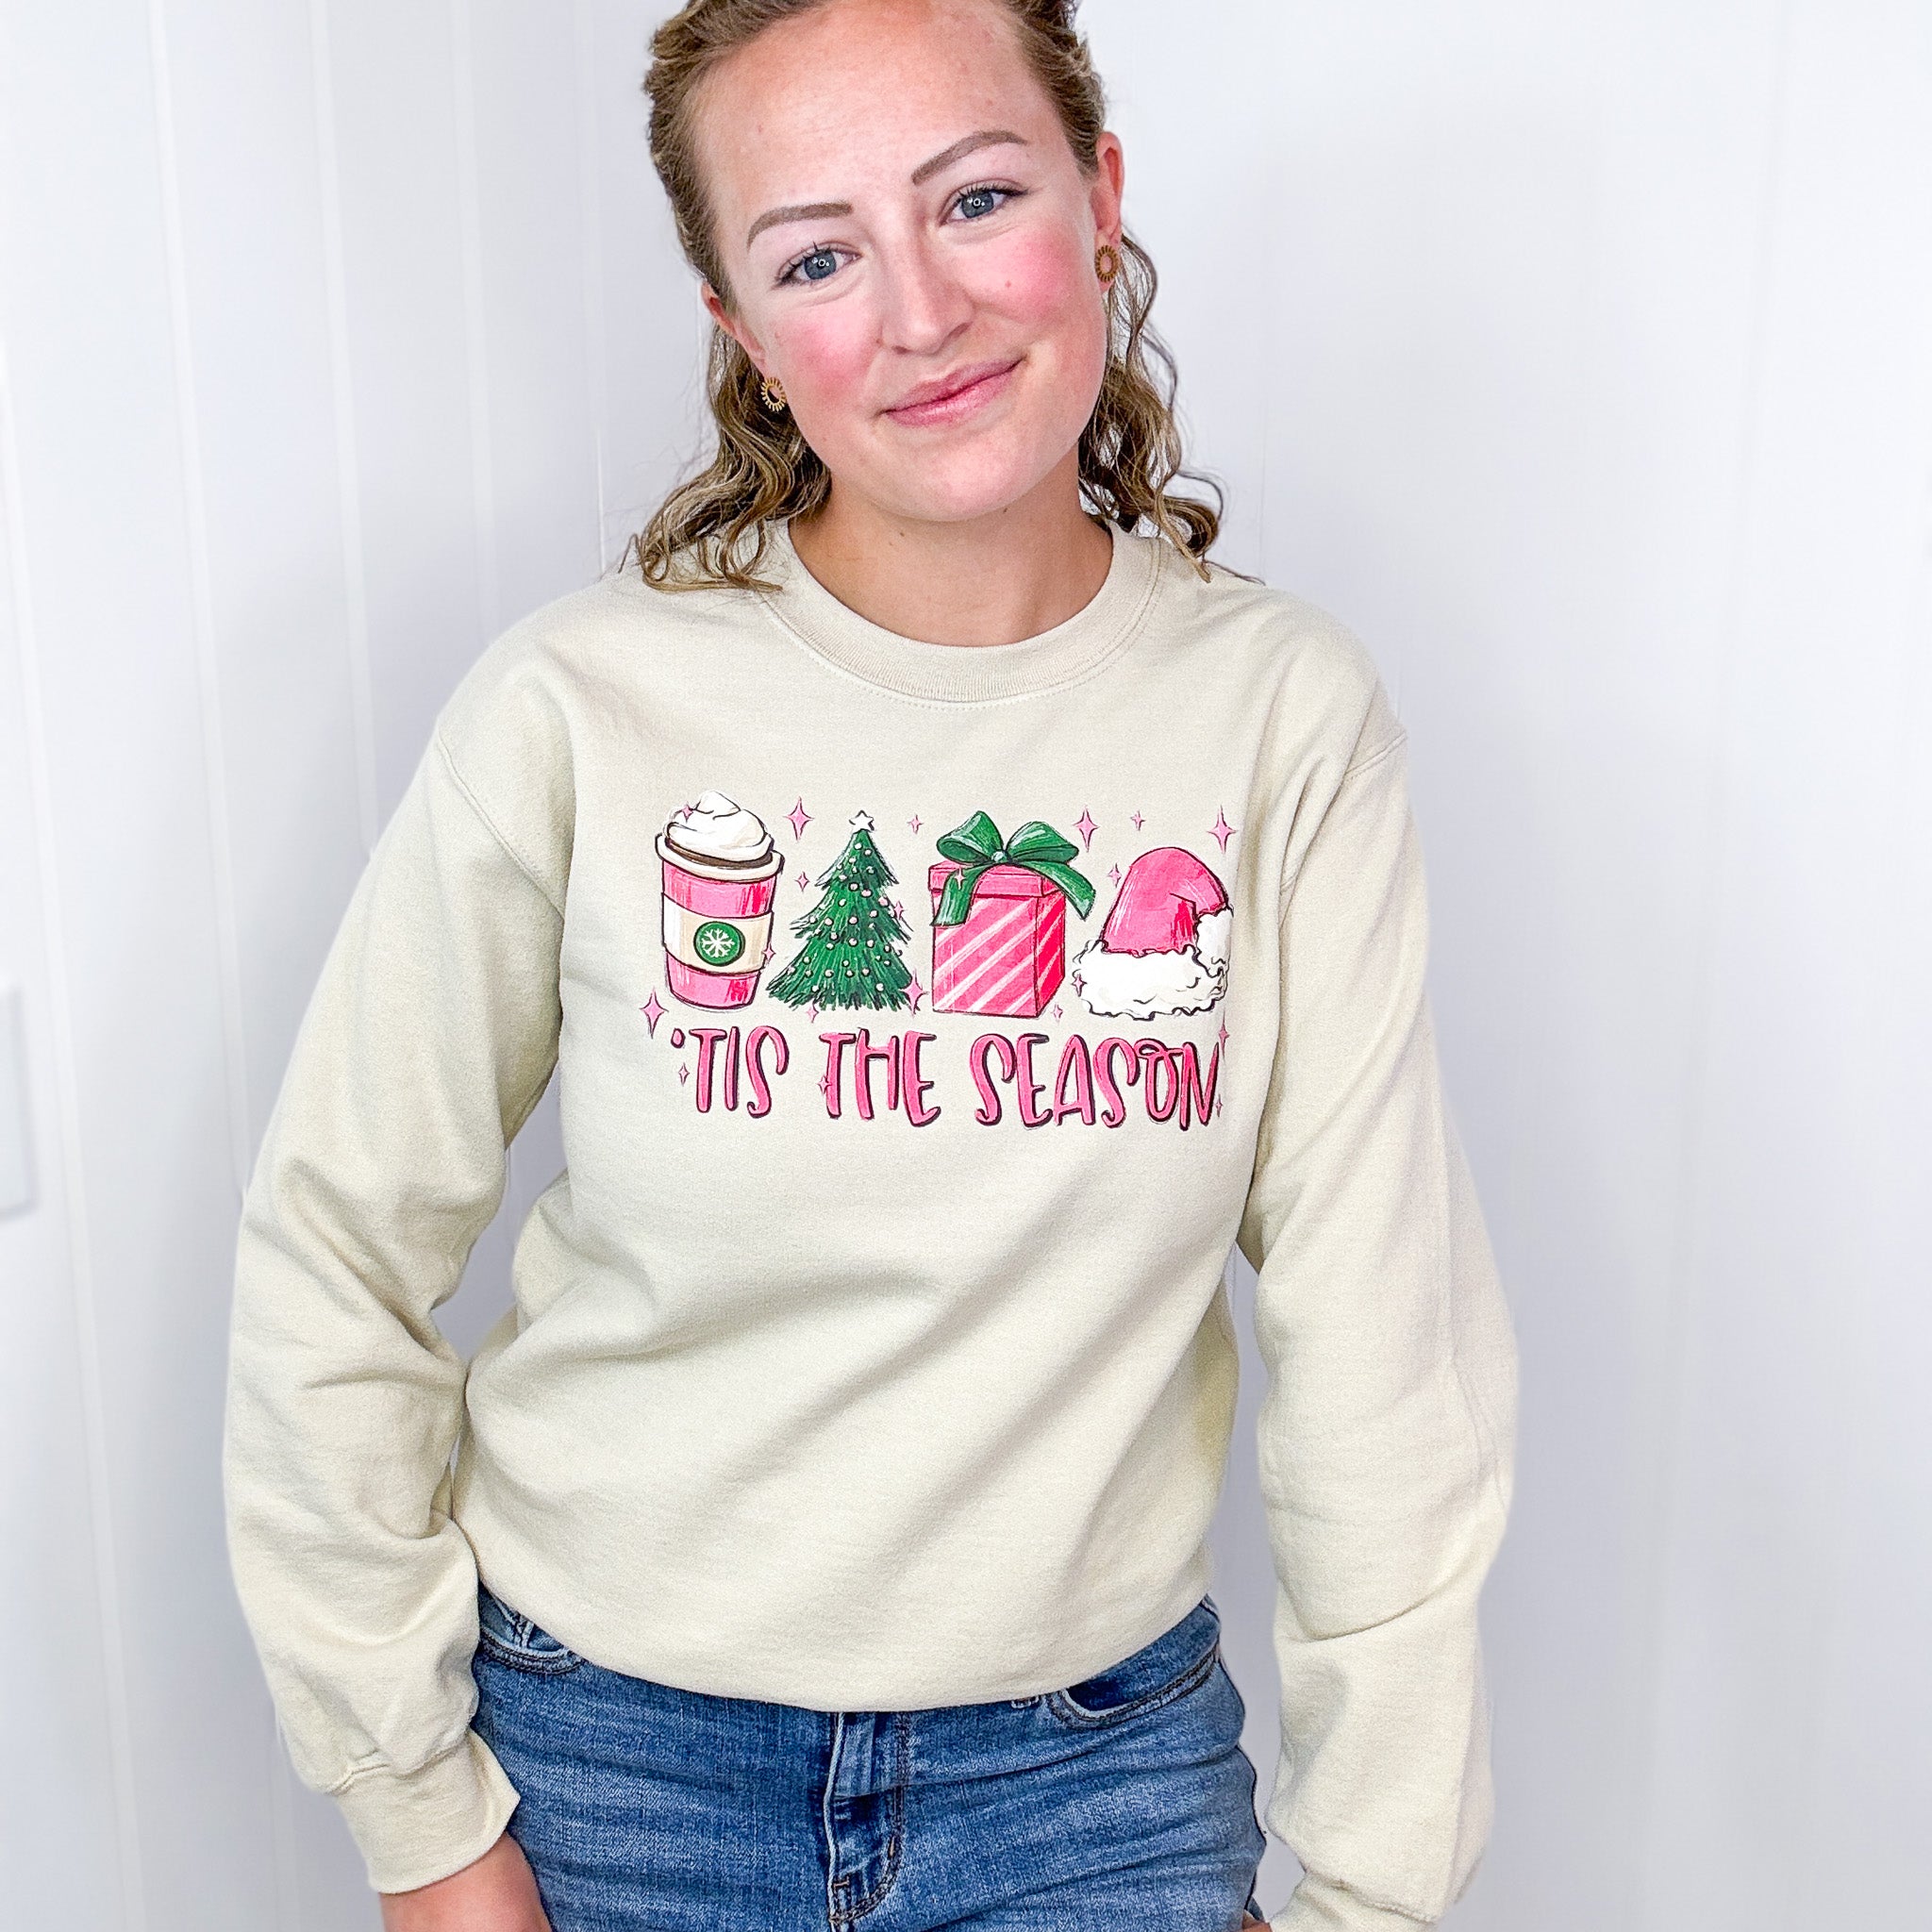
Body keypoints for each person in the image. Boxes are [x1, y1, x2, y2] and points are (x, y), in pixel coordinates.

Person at [220, 0, 1519, 1927]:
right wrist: (417, 1815)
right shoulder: (577, 705)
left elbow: (1384, 1350)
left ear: (1098, 196)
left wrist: (1372, 1890)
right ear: (740, 326)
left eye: (975, 200)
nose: (921, 313)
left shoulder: (1279, 718)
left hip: (1093, 1787)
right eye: (817, 256)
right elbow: (336, 1246)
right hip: (602, 1769)